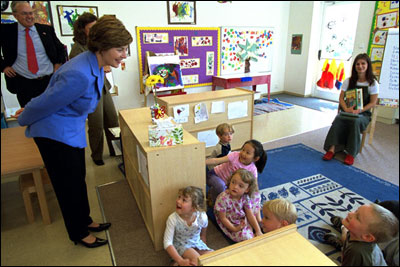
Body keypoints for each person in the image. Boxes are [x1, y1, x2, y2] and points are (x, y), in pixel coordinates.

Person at [13, 16, 133, 248]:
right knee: (67, 185)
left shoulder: (94, 63)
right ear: (103, 47)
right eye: (120, 49)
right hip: (54, 134)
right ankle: (78, 233)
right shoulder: (79, 72)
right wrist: (24, 116)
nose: (124, 55)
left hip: (70, 129)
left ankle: (84, 220)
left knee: (77, 180)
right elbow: (46, 102)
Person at [69, 12, 119, 166]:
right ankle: (96, 155)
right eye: (91, 27)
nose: (94, 30)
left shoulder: (98, 43)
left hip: (103, 86)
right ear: (82, 29)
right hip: (90, 90)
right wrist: (102, 65)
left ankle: (116, 150)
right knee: (96, 124)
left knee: (112, 120)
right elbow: (81, 71)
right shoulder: (78, 48)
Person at [0, 1, 66, 107]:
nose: (29, 16)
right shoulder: (6, 32)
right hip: (23, 84)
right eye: (24, 13)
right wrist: (4, 66)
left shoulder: (46, 30)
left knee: (52, 115)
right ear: (15, 15)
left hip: (48, 82)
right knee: (30, 118)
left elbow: (60, 49)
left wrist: (58, 64)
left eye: (31, 13)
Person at [322, 53, 379, 166]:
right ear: (354, 66)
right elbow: (341, 98)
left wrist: (360, 110)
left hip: (363, 114)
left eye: (363, 63)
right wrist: (346, 109)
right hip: (348, 111)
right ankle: (332, 149)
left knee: (355, 121)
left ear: (368, 65)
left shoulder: (373, 83)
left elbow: (373, 103)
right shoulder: (348, 81)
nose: (360, 66)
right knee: (338, 118)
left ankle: (351, 153)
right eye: (357, 64)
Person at [327, 200, 399, 266]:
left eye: (357, 217)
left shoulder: (356, 251)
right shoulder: (358, 235)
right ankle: (343, 241)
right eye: (356, 211)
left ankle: (342, 245)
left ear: (367, 237)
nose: (350, 213)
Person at [205, 139, 267, 205]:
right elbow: (216, 161)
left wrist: (256, 198)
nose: (243, 153)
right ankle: (214, 200)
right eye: (243, 150)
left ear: (256, 158)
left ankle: (215, 191)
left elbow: (254, 185)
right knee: (220, 187)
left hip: (229, 184)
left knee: (242, 191)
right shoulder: (235, 155)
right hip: (214, 175)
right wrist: (202, 161)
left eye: (248, 153)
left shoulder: (252, 169)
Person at [164, 186, 212, 266]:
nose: (178, 201)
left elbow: (203, 235)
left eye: (184, 200)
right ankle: (178, 262)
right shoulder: (173, 219)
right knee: (197, 260)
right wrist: (180, 261)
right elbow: (167, 243)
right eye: (179, 197)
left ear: (194, 208)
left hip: (197, 243)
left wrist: (204, 248)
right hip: (181, 245)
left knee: (213, 256)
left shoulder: (202, 217)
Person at [214, 169, 263, 242]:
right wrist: (235, 229)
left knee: (256, 196)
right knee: (247, 238)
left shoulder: (245, 197)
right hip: (230, 221)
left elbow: (250, 214)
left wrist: (258, 230)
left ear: (247, 190)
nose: (235, 187)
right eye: (233, 182)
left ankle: (257, 224)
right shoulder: (223, 199)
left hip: (240, 216)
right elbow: (223, 218)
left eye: (240, 186)